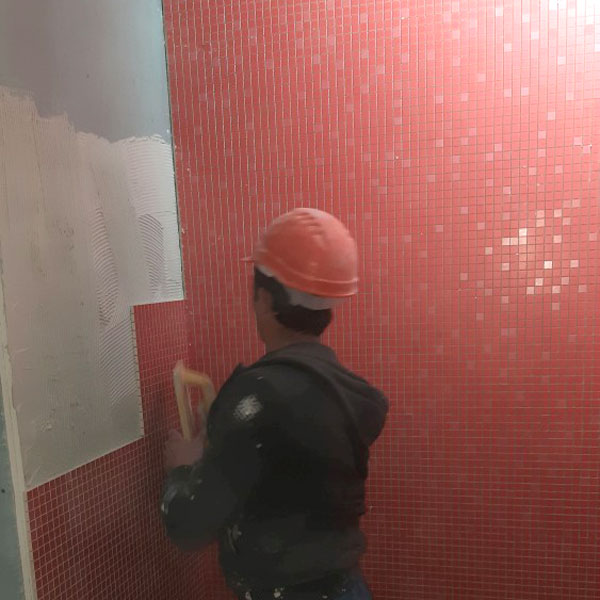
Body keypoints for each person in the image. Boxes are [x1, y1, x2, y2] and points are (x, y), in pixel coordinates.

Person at [161, 208, 388, 600]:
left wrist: (183, 467)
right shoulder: (353, 395)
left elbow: (190, 527)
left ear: (263, 299)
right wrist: (231, 434)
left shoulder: (254, 398)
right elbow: (291, 466)